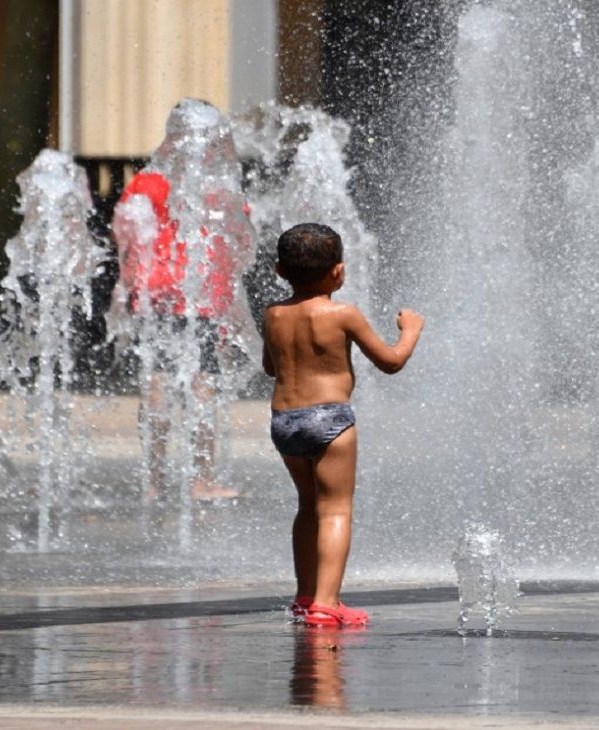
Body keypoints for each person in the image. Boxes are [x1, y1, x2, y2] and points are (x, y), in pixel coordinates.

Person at [262, 223, 423, 627]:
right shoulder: (343, 313)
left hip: (284, 421)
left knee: (307, 507)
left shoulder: (273, 314)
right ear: (339, 271)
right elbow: (390, 362)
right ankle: (326, 603)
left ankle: (304, 596)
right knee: (335, 510)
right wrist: (411, 331)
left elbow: (270, 366)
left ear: (280, 271)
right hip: (329, 419)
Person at [113, 99, 253, 503]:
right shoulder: (218, 185)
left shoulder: (146, 181)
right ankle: (200, 479)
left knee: (157, 387)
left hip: (156, 299)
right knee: (202, 388)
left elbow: (123, 233)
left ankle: (154, 481)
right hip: (198, 301)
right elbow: (242, 240)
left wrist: (129, 287)